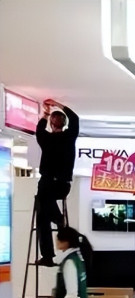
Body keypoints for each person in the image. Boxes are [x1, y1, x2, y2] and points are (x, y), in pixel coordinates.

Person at [34, 99, 79, 267]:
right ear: (64, 124)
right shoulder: (69, 137)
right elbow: (75, 118)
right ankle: (59, 220)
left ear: (51, 125)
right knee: (44, 210)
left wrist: (46, 112)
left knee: (42, 215)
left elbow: (39, 129)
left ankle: (47, 254)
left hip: (46, 184)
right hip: (63, 185)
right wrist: (57, 104)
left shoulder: (45, 138)